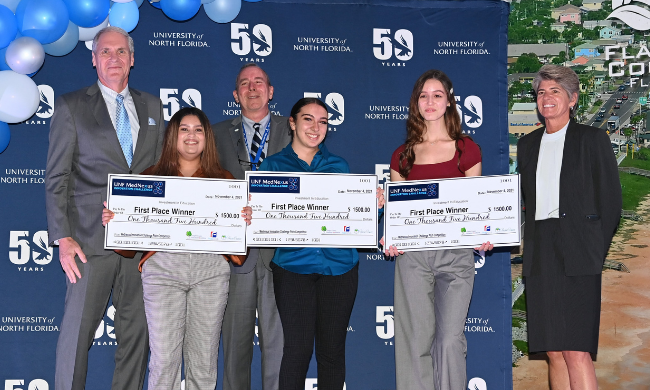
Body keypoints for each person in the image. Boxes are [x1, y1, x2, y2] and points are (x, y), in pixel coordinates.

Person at [45, 26, 165, 390]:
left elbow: (161, 173)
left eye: (121, 52)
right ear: (94, 59)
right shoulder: (71, 106)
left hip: (141, 246)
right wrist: (63, 238)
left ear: (132, 59)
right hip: (87, 243)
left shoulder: (153, 106)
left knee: (136, 339)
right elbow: (57, 178)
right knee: (76, 337)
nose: (114, 58)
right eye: (106, 52)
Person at [102, 107, 252, 390]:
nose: (191, 135)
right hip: (163, 272)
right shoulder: (151, 177)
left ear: (207, 138)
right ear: (173, 135)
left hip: (210, 273)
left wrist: (244, 221)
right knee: (164, 360)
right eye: (184, 129)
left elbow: (236, 242)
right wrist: (115, 220)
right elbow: (128, 240)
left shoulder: (224, 180)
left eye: (198, 130)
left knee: (204, 360)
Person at [257, 97, 384, 390]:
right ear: (292, 123)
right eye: (308, 119)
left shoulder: (339, 165)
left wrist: (373, 207)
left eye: (323, 121)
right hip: (293, 269)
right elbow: (264, 217)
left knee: (332, 351)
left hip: (340, 269)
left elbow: (350, 215)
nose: (316, 127)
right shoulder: (273, 166)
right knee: (297, 350)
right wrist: (253, 214)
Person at [384, 69, 492, 390]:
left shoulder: (466, 150)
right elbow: (397, 212)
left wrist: (483, 231)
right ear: (415, 103)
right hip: (413, 257)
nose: (429, 101)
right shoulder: (401, 156)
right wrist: (391, 234)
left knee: (448, 340)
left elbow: (475, 205)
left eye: (437, 95)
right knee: (415, 341)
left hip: (456, 256)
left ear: (448, 102)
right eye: (423, 95)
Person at [517, 65, 621, 389]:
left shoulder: (593, 140)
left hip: (580, 250)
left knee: (576, 351)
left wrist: (593, 251)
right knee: (553, 351)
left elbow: (611, 204)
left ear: (572, 99)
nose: (546, 98)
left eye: (555, 91)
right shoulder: (527, 145)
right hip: (540, 252)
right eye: (542, 92)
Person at [212, 64, 292, 390]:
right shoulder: (215, 134)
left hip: (283, 255)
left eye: (259, 82)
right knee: (234, 349)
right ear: (236, 95)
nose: (252, 87)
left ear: (271, 91)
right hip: (235, 256)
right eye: (244, 83)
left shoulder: (295, 128)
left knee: (280, 349)